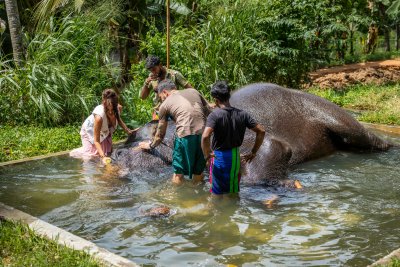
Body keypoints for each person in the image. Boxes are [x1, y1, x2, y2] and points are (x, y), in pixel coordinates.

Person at [138, 79, 212, 184]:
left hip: (184, 137)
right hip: (203, 135)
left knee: (178, 172)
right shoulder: (193, 91)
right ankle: (199, 198)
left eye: (161, 97)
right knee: (198, 171)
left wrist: (150, 146)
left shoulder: (165, 105)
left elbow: (160, 135)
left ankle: (175, 197)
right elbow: (209, 111)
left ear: (164, 92)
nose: (162, 100)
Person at [201, 81, 266, 195]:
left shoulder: (214, 115)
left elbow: (205, 136)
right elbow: (261, 131)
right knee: (233, 192)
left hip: (219, 157)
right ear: (228, 96)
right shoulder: (242, 114)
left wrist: (207, 153)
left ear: (216, 100)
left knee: (216, 193)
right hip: (235, 156)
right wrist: (253, 152)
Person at [70, 89, 134, 164]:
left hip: (105, 130)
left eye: (112, 110)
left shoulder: (118, 108)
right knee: (93, 156)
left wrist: (128, 131)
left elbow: (118, 118)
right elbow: (96, 141)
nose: (110, 112)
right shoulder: (99, 117)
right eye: (108, 110)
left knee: (109, 152)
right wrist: (103, 157)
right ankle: (77, 153)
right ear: (104, 104)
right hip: (90, 130)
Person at [140, 55, 193, 120]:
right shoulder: (151, 78)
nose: (153, 72)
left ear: (160, 65)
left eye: (154, 69)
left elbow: (191, 90)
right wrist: (146, 83)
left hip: (174, 110)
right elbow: (143, 97)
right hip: (158, 112)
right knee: (158, 130)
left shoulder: (174, 75)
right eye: (151, 71)